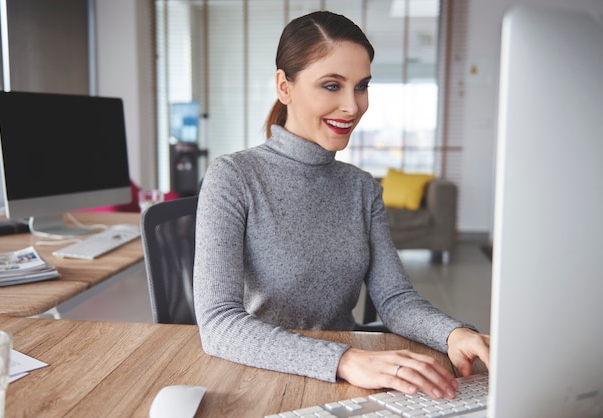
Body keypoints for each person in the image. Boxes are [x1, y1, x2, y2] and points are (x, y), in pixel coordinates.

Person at [193, 10, 490, 400]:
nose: (352, 107)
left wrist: (453, 333)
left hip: (344, 380)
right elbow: (218, 322)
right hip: (258, 376)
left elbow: (395, 299)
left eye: (361, 86)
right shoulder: (234, 177)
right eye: (331, 85)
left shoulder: (361, 188)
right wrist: (345, 360)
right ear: (285, 86)